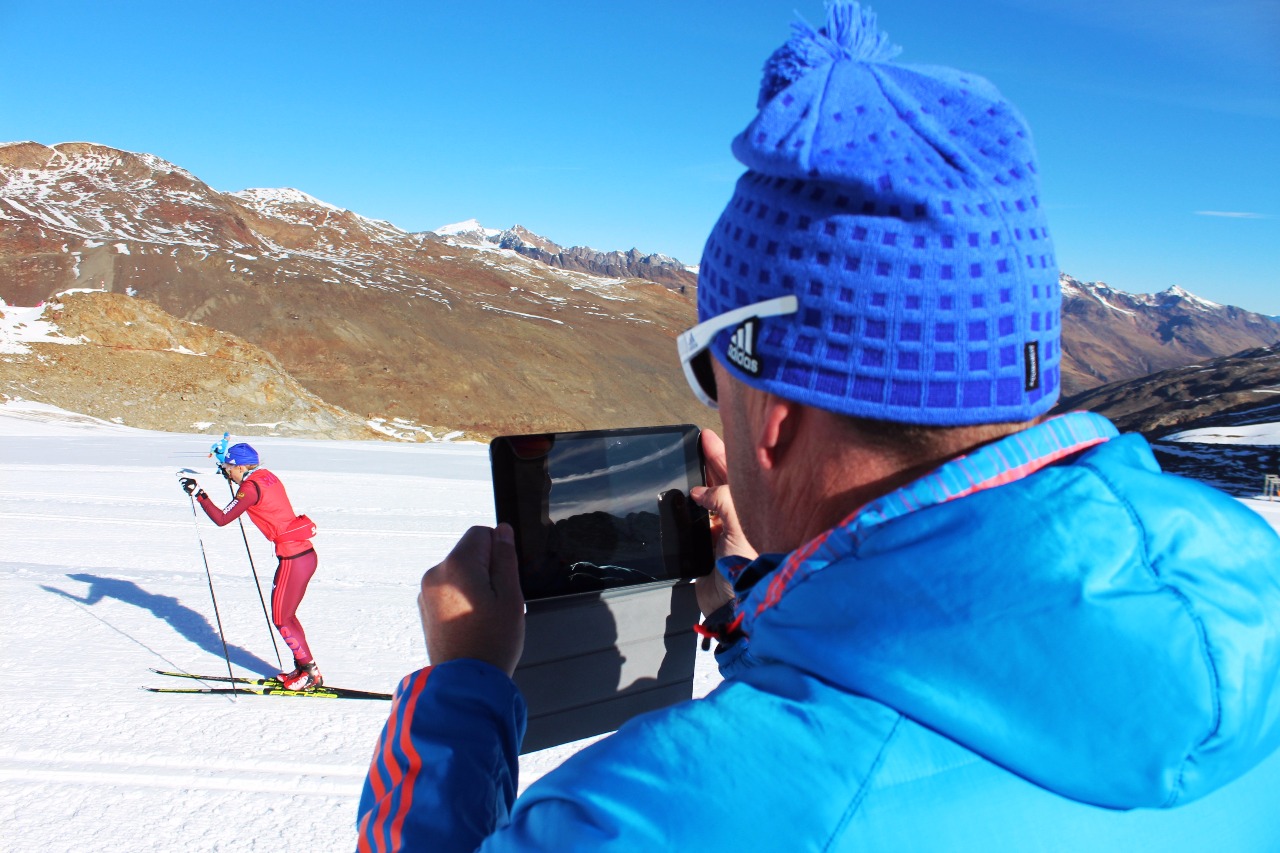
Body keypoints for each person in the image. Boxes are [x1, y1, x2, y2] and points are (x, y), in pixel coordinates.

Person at [356, 4, 1280, 850]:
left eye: (710, 377)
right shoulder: (1247, 607)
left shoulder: (654, 815)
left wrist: (464, 685)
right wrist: (765, 591)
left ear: (776, 417)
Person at [179, 442, 323, 691]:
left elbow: (222, 518)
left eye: (228, 468)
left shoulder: (250, 487)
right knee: (286, 616)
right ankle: (303, 668)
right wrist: (227, 463)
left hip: (294, 559)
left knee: (282, 618)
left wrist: (199, 494)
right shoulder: (265, 476)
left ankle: (310, 673)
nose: (227, 473)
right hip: (301, 554)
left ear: (241, 466)